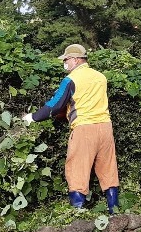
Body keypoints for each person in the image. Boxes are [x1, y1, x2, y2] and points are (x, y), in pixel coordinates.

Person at [22, 44, 121, 213]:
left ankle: (78, 212)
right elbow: (84, 101)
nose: (65, 64)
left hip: (84, 129)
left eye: (66, 60)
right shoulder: (100, 77)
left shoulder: (71, 79)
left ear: (75, 59)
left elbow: (54, 105)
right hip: (105, 127)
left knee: (77, 169)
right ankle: (114, 210)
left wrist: (33, 117)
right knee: (108, 169)